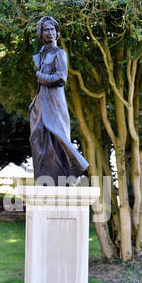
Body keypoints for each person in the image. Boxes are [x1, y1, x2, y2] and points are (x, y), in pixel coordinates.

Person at [29, 16, 89, 185]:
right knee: (37, 137)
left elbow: (61, 78)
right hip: (42, 102)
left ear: (57, 33)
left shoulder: (59, 53)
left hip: (55, 102)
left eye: (52, 30)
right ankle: (46, 178)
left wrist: (41, 76)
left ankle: (69, 175)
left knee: (58, 137)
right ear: (41, 33)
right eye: (46, 30)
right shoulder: (40, 55)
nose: (50, 33)